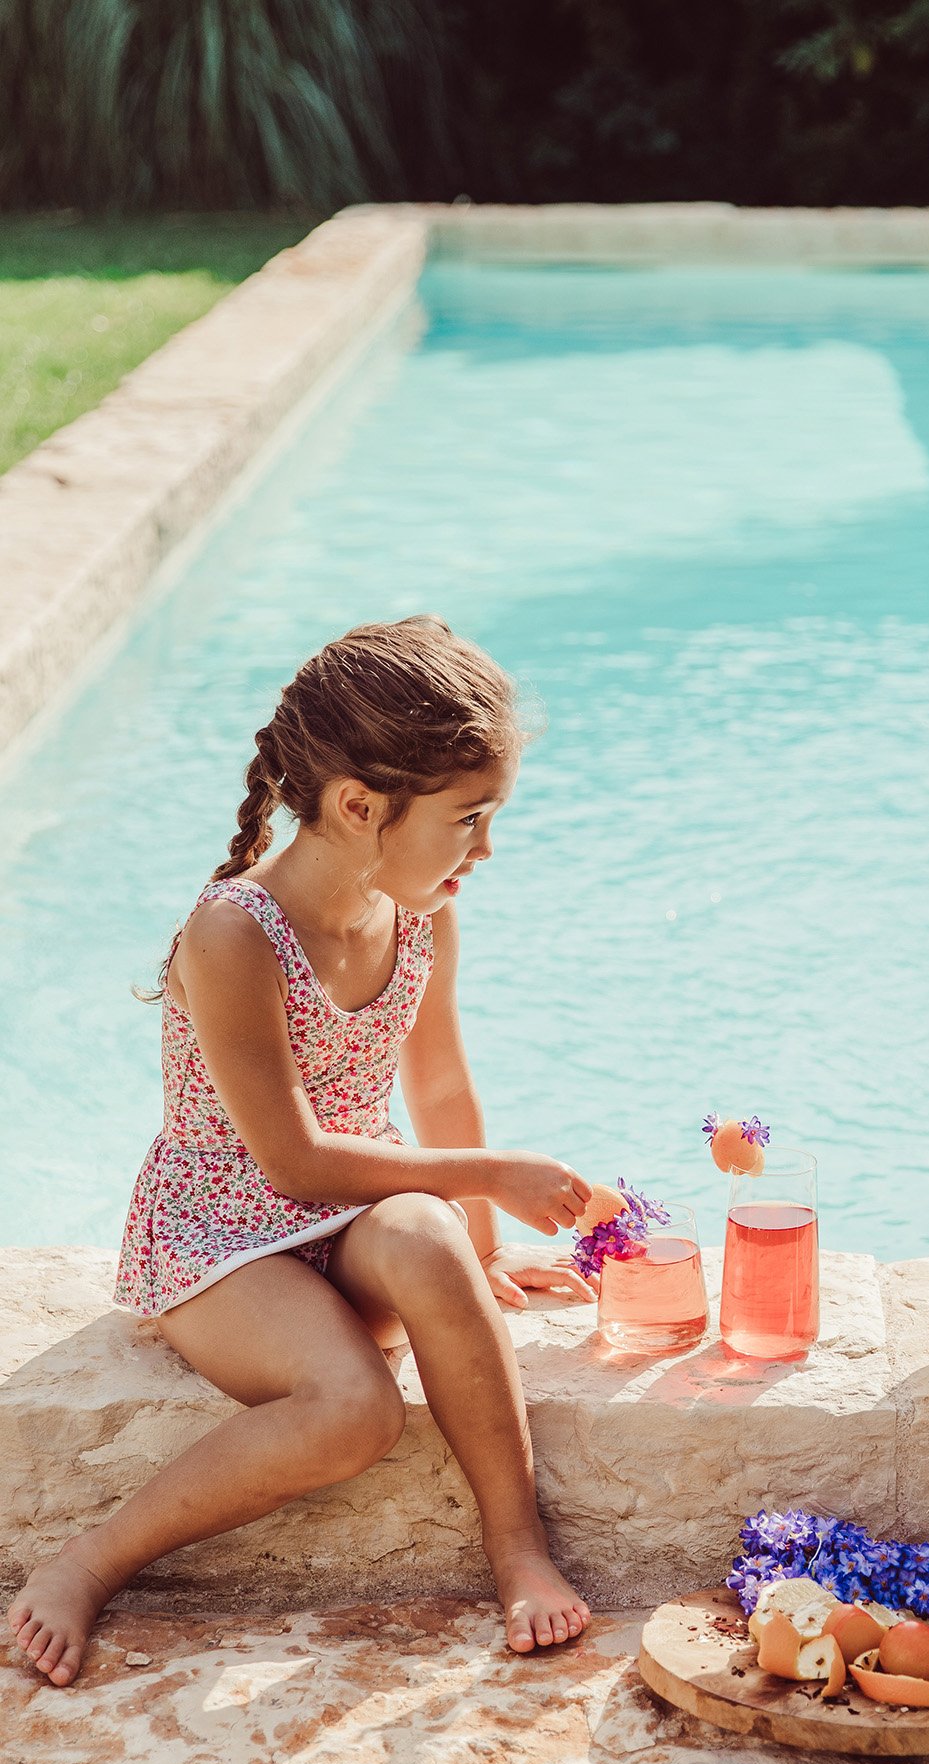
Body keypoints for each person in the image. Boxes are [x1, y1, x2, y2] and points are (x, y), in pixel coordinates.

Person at [8, 618, 597, 1686]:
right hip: (221, 1238)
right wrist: (493, 1175)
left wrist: (480, 1246)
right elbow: (291, 1163)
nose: (486, 849)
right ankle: (88, 1564)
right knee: (353, 1411)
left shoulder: (419, 913)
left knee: (427, 1239)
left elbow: (440, 1085)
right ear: (360, 806)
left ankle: (518, 1551)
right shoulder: (233, 933)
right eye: (469, 820)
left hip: (349, 1216)